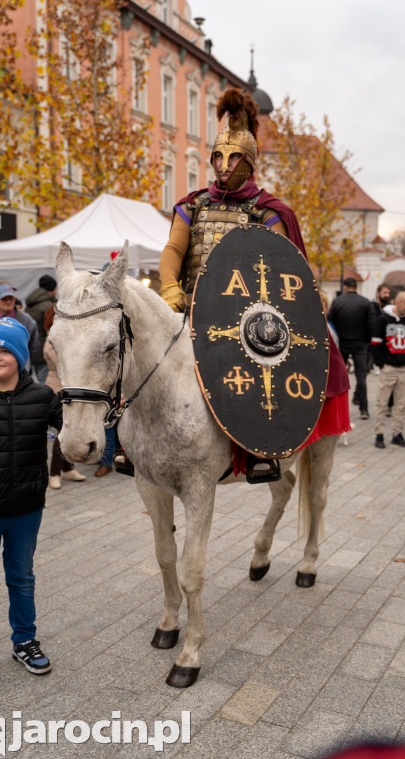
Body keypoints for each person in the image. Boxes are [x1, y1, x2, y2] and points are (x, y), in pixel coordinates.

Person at [158, 88, 350, 478]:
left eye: (233, 157)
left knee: (263, 372)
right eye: (217, 156)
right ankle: (133, 443)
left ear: (250, 161)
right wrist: (168, 287)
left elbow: (284, 269)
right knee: (143, 354)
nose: (223, 165)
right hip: (188, 307)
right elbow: (174, 251)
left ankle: (262, 447)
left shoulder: (268, 212)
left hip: (245, 316)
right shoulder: (191, 205)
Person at [0, 317, 61, 695]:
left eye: (5, 350)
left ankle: (24, 641)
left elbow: (74, 428)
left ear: (21, 357)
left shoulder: (41, 398)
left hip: (26, 510)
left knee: (22, 579)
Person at [43, 305, 86, 488]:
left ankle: (68, 469)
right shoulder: (53, 339)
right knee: (62, 431)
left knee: (67, 428)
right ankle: (54, 473)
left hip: (66, 387)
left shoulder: (64, 337)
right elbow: (64, 363)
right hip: (56, 388)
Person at [372, 291, 405, 449]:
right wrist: (381, 364)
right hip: (388, 368)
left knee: (401, 404)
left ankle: (397, 433)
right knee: (382, 403)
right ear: (398, 303)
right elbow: (376, 342)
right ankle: (379, 434)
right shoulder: (383, 320)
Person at [328, 277, 374, 420]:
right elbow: (371, 324)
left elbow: (331, 322)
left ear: (345, 287)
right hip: (360, 343)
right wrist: (366, 340)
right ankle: (364, 409)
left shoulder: (337, 302)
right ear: (356, 286)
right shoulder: (365, 302)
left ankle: (337, 410)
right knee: (361, 376)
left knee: (338, 375)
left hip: (342, 343)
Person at [0, 283, 40, 366]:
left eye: (11, 298)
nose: (8, 302)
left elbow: (34, 348)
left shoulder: (27, 321)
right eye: (4, 299)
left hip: (19, 368)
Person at [26, 274, 57, 384]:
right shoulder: (49, 306)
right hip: (46, 354)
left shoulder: (30, 304)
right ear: (52, 289)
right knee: (46, 385)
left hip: (32, 352)